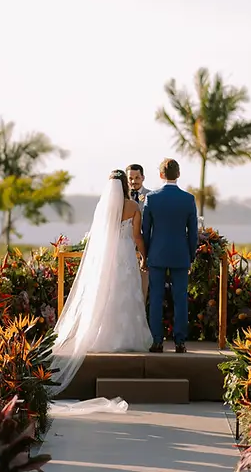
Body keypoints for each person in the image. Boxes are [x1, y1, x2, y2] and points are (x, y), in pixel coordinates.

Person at [49, 169, 153, 398]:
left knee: (104, 293)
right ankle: (128, 337)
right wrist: (144, 256)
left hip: (106, 256)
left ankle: (101, 336)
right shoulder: (133, 207)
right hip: (125, 254)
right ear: (125, 185)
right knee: (127, 292)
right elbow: (137, 236)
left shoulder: (103, 207)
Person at [142, 159, 198, 354]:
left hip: (156, 254)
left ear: (160, 175)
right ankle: (180, 342)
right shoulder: (188, 199)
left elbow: (145, 230)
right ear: (178, 174)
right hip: (180, 254)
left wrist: (146, 255)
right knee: (180, 299)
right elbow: (193, 233)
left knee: (156, 298)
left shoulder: (152, 198)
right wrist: (191, 256)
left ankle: (157, 341)